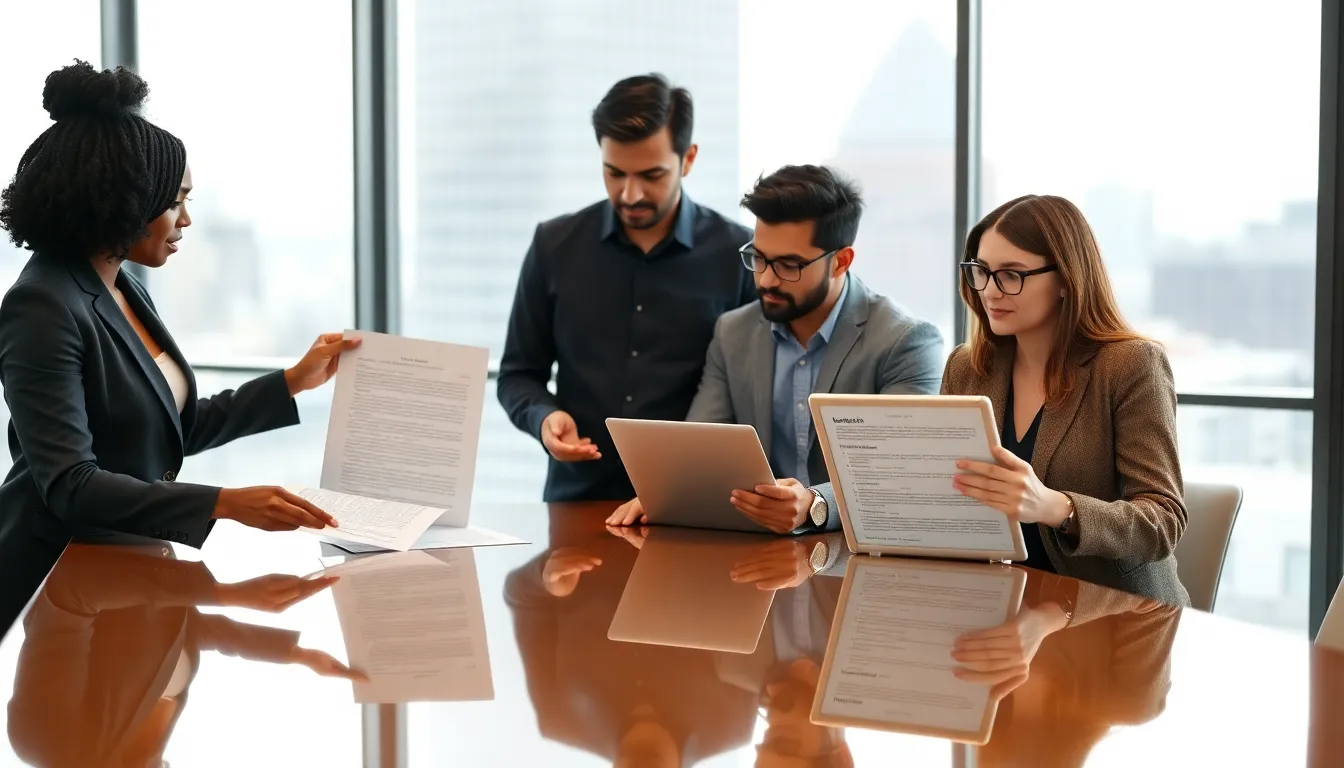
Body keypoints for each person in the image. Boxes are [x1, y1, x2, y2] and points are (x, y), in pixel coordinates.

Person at [0, 61, 352, 550]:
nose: (186, 219)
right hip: (58, 577)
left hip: (129, 565)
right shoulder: (41, 306)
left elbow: (168, 428)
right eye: (175, 201)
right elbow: (70, 484)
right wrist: (221, 502)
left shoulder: (124, 288)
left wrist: (294, 381)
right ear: (124, 200)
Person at [607, 165, 943, 533]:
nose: (766, 279)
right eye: (759, 258)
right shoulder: (733, 332)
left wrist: (816, 505)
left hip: (856, 560)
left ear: (841, 262)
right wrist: (669, 493)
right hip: (756, 556)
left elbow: (902, 475)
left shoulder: (905, 342)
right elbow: (700, 447)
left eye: (789, 265)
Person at [497, 73, 755, 503]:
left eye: (651, 175)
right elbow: (518, 375)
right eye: (614, 173)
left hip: (696, 506)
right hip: (579, 504)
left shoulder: (740, 255)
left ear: (688, 159)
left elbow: (755, 390)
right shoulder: (553, 246)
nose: (630, 193)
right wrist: (545, 418)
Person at [945, 194, 1189, 604]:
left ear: (1065, 279)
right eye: (981, 271)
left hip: (1115, 617)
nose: (990, 291)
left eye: (1011, 275)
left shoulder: (1131, 365)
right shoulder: (967, 368)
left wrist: (1055, 507)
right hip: (1001, 604)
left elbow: (1162, 522)